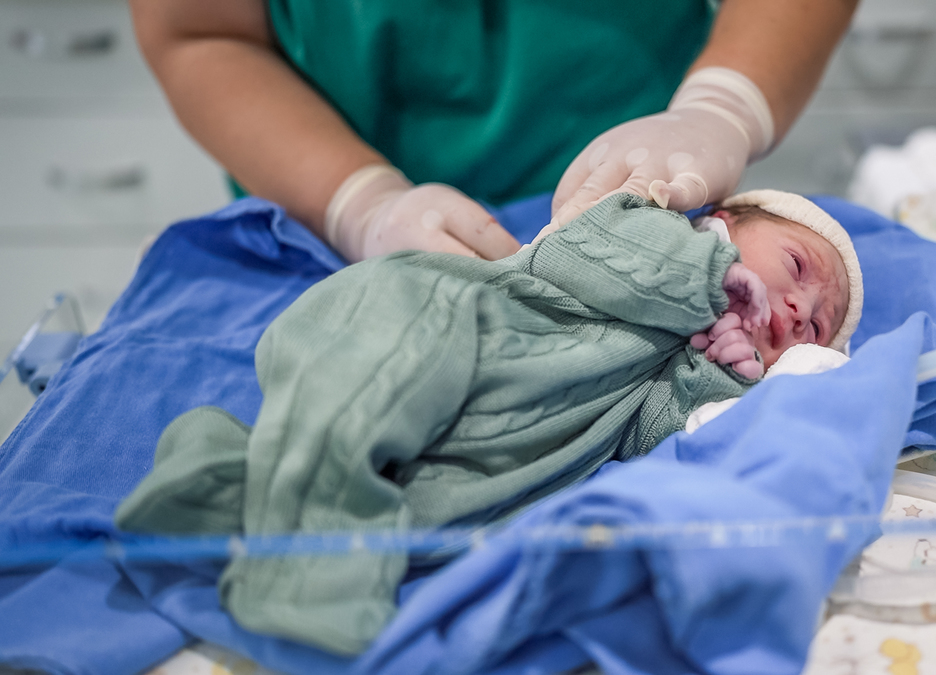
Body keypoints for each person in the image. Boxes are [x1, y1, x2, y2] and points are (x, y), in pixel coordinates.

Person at [116, 189, 863, 655]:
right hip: (442, 324)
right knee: (369, 403)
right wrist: (703, 272)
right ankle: (305, 577)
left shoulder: (698, 361)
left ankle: (221, 480)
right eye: (797, 268)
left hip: (506, 440)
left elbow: (647, 439)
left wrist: (711, 379)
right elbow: (581, 253)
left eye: (815, 326)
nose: (798, 308)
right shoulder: (651, 232)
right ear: (721, 223)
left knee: (443, 517)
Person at [128, 0, 859, 262]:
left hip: (652, 176)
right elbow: (199, 31)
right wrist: (357, 202)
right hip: (320, 207)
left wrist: (721, 106)